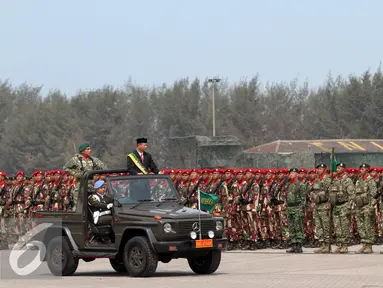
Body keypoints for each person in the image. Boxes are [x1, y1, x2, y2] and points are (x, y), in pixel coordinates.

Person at [63, 142, 107, 211]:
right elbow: (65, 168)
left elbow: (103, 167)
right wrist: (77, 174)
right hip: (80, 186)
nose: (90, 151)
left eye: (89, 149)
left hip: (91, 186)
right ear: (82, 151)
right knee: (78, 205)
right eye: (88, 149)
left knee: (93, 204)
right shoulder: (76, 159)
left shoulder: (92, 160)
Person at [285, 168, 306, 253]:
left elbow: (303, 199)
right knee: (291, 227)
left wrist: (300, 209)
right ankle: (293, 244)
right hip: (290, 208)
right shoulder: (288, 185)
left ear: (297, 175)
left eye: (293, 173)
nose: (291, 175)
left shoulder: (301, 185)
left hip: (297, 208)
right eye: (290, 173)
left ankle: (299, 245)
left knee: (298, 227)